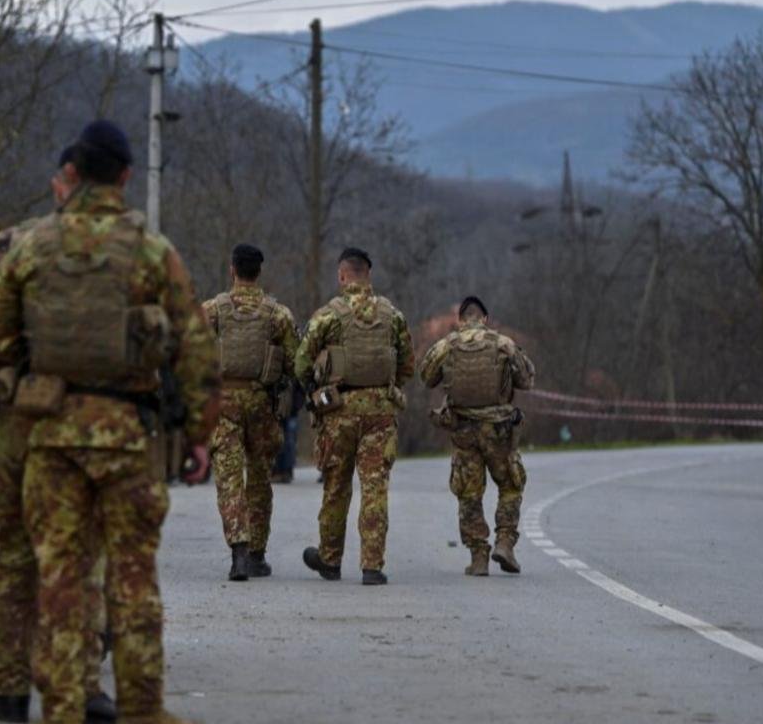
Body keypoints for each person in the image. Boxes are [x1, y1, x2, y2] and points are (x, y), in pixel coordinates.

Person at [0, 119, 219, 724]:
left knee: (58, 573)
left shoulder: (31, 246)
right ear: (126, 176)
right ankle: (140, 712)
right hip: (125, 437)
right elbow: (194, 345)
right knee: (132, 574)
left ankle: (60, 715)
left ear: (73, 173)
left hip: (49, 437)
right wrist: (198, 433)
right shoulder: (149, 249)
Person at [0, 155, 115, 724]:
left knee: (11, 558)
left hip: (15, 427)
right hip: (84, 427)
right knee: (82, 559)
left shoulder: (2, 247)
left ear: (58, 183)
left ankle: (10, 689)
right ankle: (83, 687)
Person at [295, 247, 414, 586]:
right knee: (375, 487)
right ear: (368, 274)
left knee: (336, 486)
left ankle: (330, 559)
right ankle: (372, 566)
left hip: (339, 411)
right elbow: (407, 365)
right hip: (380, 412)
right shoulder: (392, 314)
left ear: (342, 275)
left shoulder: (329, 315)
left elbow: (301, 362)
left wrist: (315, 386)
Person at [419, 296, 535, 576]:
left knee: (469, 493)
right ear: (485, 319)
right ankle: (505, 542)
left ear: (460, 320)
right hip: (498, 430)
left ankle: (478, 556)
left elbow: (426, 377)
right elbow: (526, 380)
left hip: (463, 430)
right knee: (510, 486)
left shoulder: (447, 345)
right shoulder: (503, 343)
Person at [203, 244, 298, 581]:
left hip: (223, 404)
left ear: (232, 270)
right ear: (260, 272)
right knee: (259, 478)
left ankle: (239, 552)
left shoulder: (212, 311)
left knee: (229, 478)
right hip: (261, 404)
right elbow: (296, 362)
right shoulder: (278, 315)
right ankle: (257, 554)